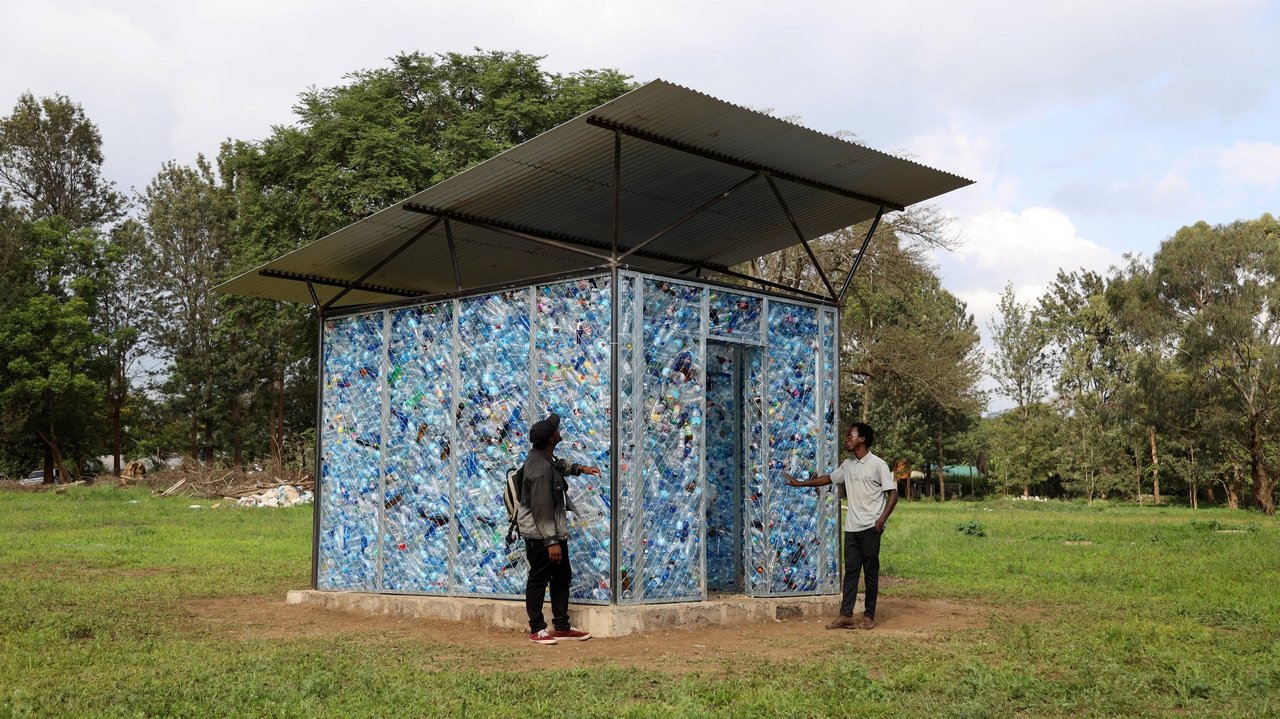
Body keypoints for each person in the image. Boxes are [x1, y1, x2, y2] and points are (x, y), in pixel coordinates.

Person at [782, 422, 898, 630]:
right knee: (851, 572)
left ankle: (869, 616)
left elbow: (893, 494)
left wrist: (880, 521)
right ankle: (846, 615)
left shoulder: (878, 464)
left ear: (862, 439)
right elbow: (829, 478)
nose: (847, 439)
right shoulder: (848, 464)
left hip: (871, 527)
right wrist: (800, 484)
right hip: (852, 528)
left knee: (870, 572)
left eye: (850, 436)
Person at [517, 411, 601, 645]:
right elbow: (542, 508)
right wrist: (551, 542)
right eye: (556, 429)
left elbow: (559, 466)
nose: (558, 430)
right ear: (551, 439)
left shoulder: (544, 458)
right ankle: (537, 629)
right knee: (538, 578)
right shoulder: (540, 469)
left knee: (562, 576)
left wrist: (580, 468)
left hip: (553, 531)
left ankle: (562, 626)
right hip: (540, 534)